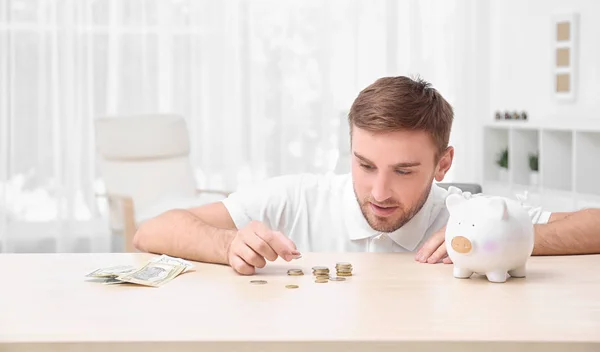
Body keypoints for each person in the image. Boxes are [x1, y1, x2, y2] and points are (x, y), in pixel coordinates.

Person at [133, 76, 600, 275]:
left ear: (443, 164)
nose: (378, 192)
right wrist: (226, 244)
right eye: (365, 165)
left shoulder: (465, 214)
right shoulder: (297, 197)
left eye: (404, 171)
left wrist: (504, 239)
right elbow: (150, 231)